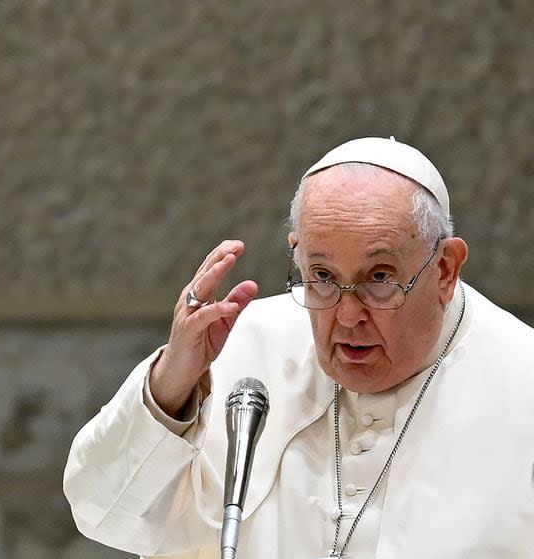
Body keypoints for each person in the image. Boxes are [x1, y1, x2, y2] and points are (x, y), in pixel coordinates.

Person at [63, 137, 534, 558]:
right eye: (323, 277)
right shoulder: (241, 349)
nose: (348, 316)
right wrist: (171, 386)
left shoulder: (521, 382)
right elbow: (103, 513)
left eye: (380, 278)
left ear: (446, 269)